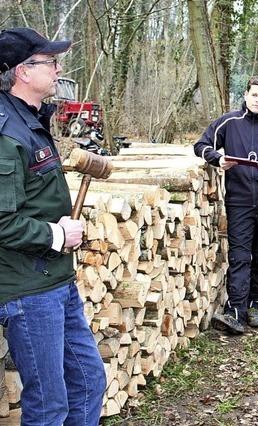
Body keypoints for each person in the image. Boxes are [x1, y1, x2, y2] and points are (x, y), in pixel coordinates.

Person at [0, 27, 106, 424]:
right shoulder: (6, 134)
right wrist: (56, 234)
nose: (59, 68)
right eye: (51, 61)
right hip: (27, 290)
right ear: (23, 71)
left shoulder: (29, 119)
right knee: (48, 404)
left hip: (55, 278)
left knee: (88, 381)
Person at [194, 76, 258, 334]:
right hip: (239, 200)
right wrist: (218, 159)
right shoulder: (229, 122)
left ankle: (255, 305)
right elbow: (201, 145)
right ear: (246, 95)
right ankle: (235, 311)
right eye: (254, 95)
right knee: (240, 255)